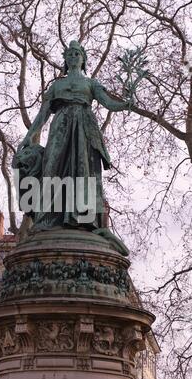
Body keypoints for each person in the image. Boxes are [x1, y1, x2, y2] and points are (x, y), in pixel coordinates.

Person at [16, 40, 130, 241]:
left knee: (83, 171)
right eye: (70, 54)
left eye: (77, 54)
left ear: (83, 59)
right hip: (60, 124)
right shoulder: (57, 85)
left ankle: (82, 218)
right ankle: (46, 219)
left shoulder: (91, 84)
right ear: (66, 60)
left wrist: (127, 103)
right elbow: (43, 114)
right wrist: (28, 137)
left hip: (84, 127)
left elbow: (109, 103)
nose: (73, 57)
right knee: (52, 167)